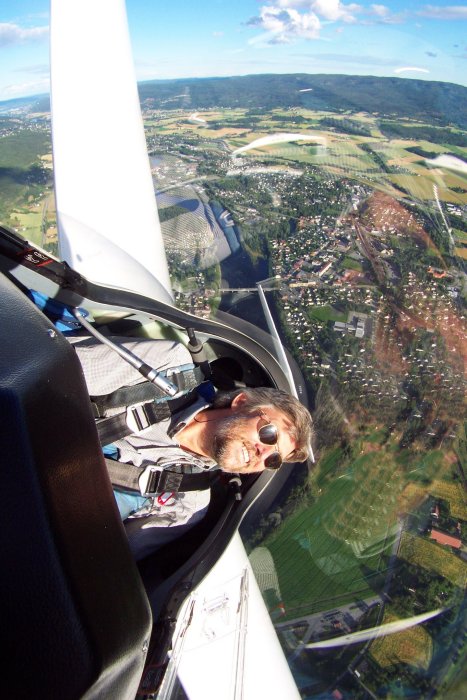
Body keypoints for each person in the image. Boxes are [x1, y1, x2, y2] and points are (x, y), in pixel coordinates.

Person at [72, 335, 313, 558]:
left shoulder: (190, 504)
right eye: (269, 434)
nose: (263, 453)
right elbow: (56, 372)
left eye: (273, 460)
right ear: (241, 402)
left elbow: (104, 559)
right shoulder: (169, 370)